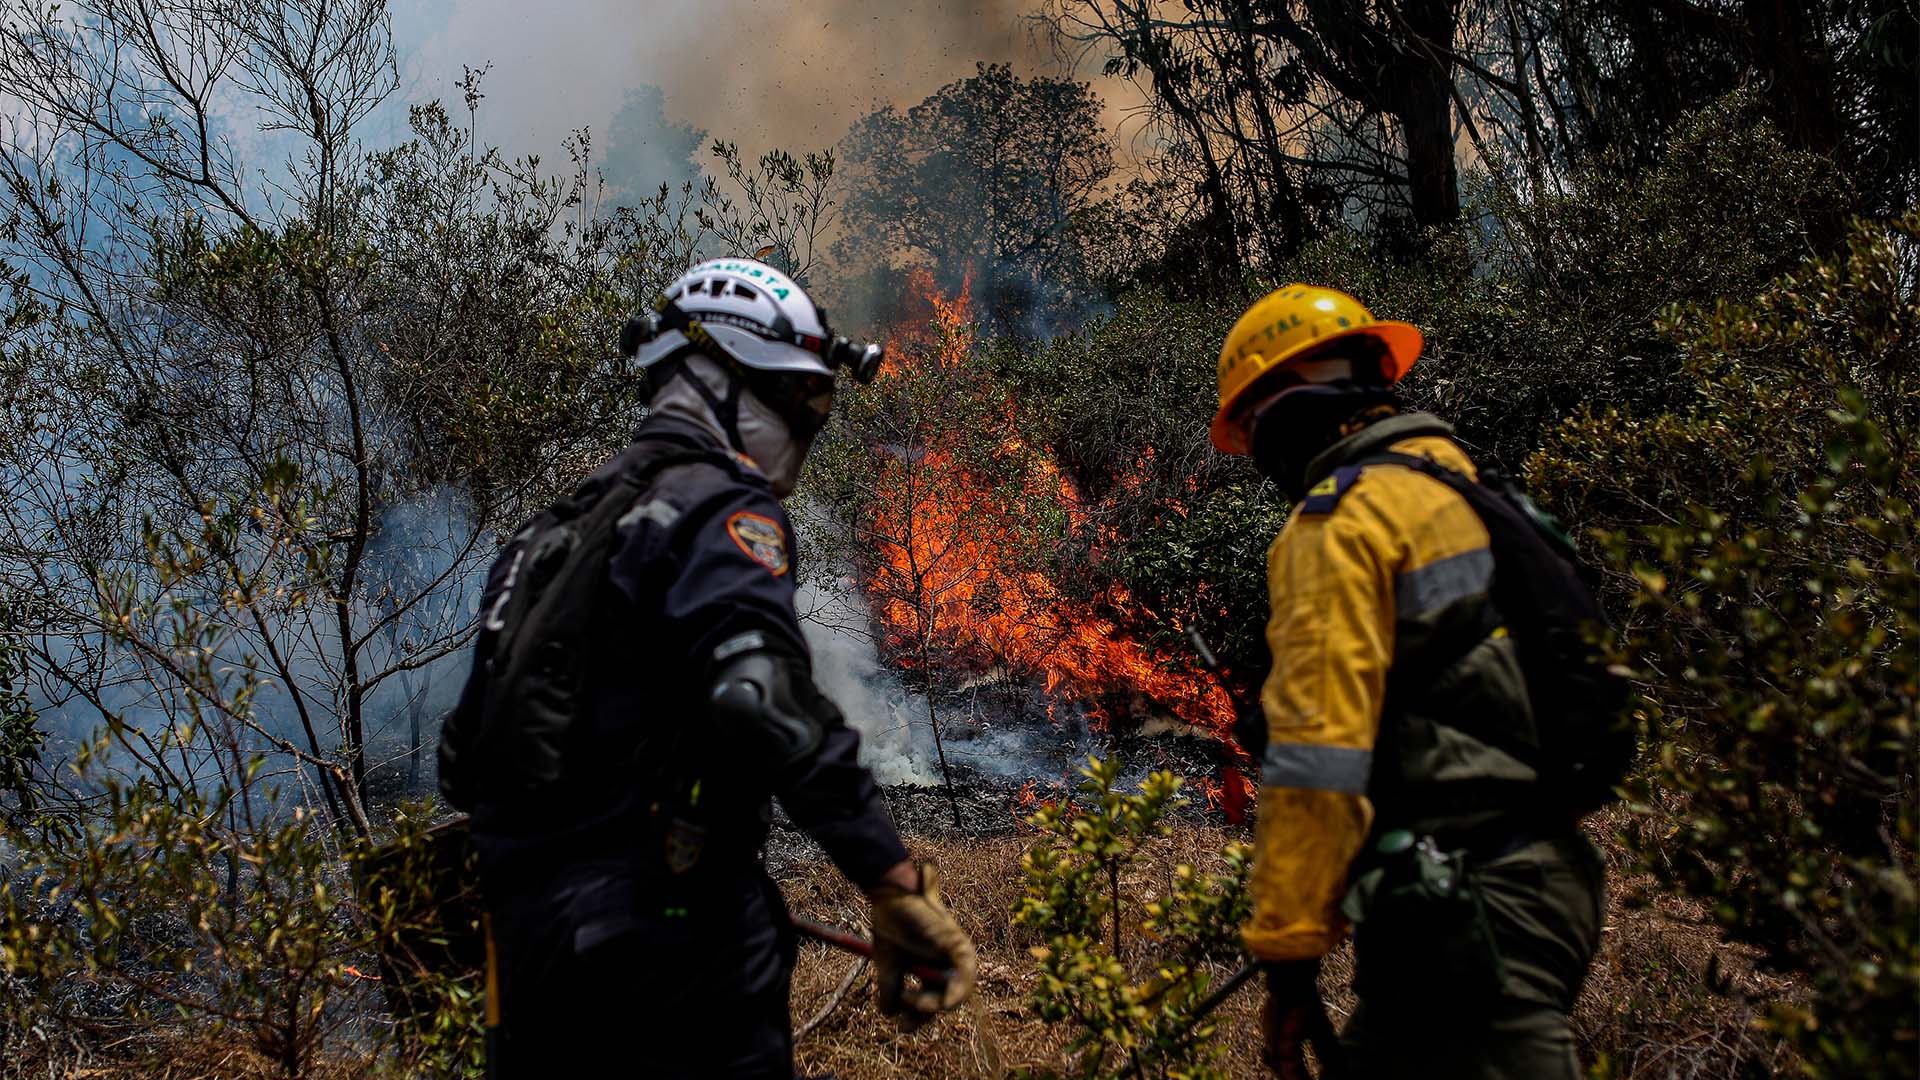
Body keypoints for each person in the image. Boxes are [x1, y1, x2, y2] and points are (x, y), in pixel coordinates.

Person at [439, 257, 977, 1079]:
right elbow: (760, 696)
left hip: (527, 956)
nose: (805, 425)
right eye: (796, 399)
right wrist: (892, 878)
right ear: (722, 377)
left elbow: (464, 757)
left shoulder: (546, 536)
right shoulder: (718, 503)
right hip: (670, 951)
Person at [1208, 285, 1608, 1079]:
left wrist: (1289, 954)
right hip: (1539, 879)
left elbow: (1317, 756)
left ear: (1287, 405)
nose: (1257, 454)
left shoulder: (1341, 523)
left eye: (1252, 428)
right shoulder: (1466, 483)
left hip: (1469, 904)